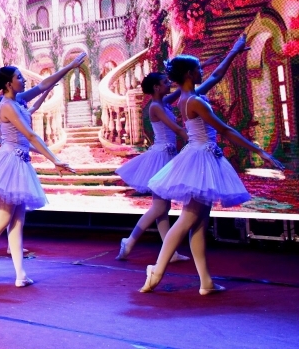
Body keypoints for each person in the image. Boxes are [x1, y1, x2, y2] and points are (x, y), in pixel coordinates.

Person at [140, 55, 284, 294]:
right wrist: (260, 151)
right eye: (197, 69)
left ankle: (205, 281)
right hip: (200, 159)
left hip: (201, 156)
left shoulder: (186, 98)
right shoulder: (194, 101)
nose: (202, 72)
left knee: (199, 222)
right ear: (188, 74)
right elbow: (225, 130)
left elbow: (216, 75)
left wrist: (234, 52)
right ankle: (156, 270)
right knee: (188, 219)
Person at [117, 36, 248, 261]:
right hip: (160, 156)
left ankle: (170, 250)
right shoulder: (156, 107)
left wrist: (203, 67)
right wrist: (196, 141)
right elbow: (177, 129)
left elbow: (187, 88)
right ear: (157, 87)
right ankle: (131, 241)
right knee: (159, 208)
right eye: (165, 83)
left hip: (169, 155)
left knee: (162, 207)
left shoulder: (167, 102)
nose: (169, 84)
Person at [0, 65, 77, 288]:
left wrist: (69, 67)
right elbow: (30, 135)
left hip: (20, 164)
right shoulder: (6, 105)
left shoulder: (19, 100)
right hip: (8, 164)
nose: (23, 80)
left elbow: (43, 85)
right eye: (19, 77)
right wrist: (54, 160)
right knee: (4, 218)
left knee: (18, 222)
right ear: (7, 84)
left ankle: (20, 273)